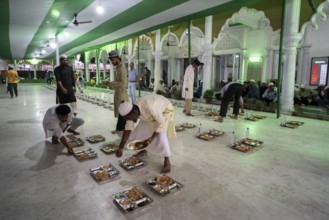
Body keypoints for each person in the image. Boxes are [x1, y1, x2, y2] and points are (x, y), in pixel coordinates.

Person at [115, 94, 176, 173]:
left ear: (133, 113)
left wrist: (151, 138)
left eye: (128, 118)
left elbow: (161, 124)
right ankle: (144, 150)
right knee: (141, 130)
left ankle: (167, 160)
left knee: (160, 136)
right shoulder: (133, 111)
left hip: (164, 110)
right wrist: (121, 147)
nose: (128, 120)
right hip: (150, 113)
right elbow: (128, 129)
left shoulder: (151, 108)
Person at [104, 51, 129, 134]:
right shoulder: (118, 67)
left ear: (117, 58)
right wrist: (110, 82)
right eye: (111, 61)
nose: (112, 62)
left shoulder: (122, 68)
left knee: (122, 111)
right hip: (118, 92)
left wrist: (111, 83)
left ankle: (120, 128)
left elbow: (123, 83)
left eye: (113, 60)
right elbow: (118, 81)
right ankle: (122, 128)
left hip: (122, 94)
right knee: (121, 111)